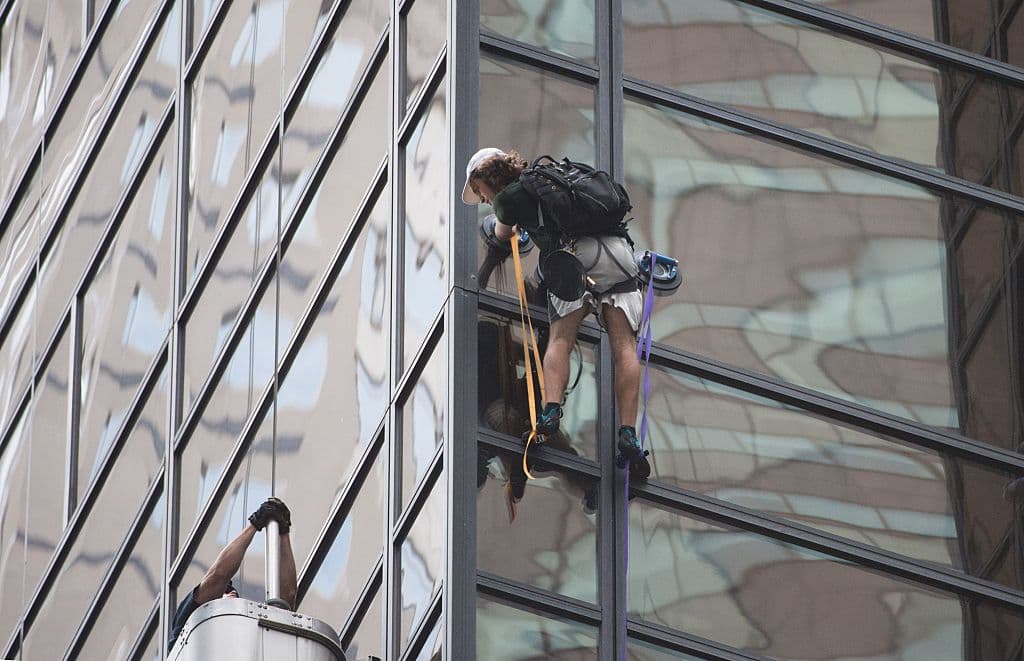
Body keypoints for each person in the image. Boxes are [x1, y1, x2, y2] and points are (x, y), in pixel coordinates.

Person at [463, 147, 650, 477]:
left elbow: (502, 234)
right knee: (625, 349)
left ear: (486, 179)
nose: (483, 199)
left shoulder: (509, 198)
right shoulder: (555, 179)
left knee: (561, 339)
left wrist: (497, 230)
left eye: (480, 192)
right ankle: (628, 432)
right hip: (619, 254)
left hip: (574, 257)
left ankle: (550, 412)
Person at [167, 497, 296, 650]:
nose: (232, 596)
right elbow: (218, 576)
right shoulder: (190, 624)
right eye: (225, 594)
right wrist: (255, 524)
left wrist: (283, 532)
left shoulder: (246, 640)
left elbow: (288, 597)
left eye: (234, 594)